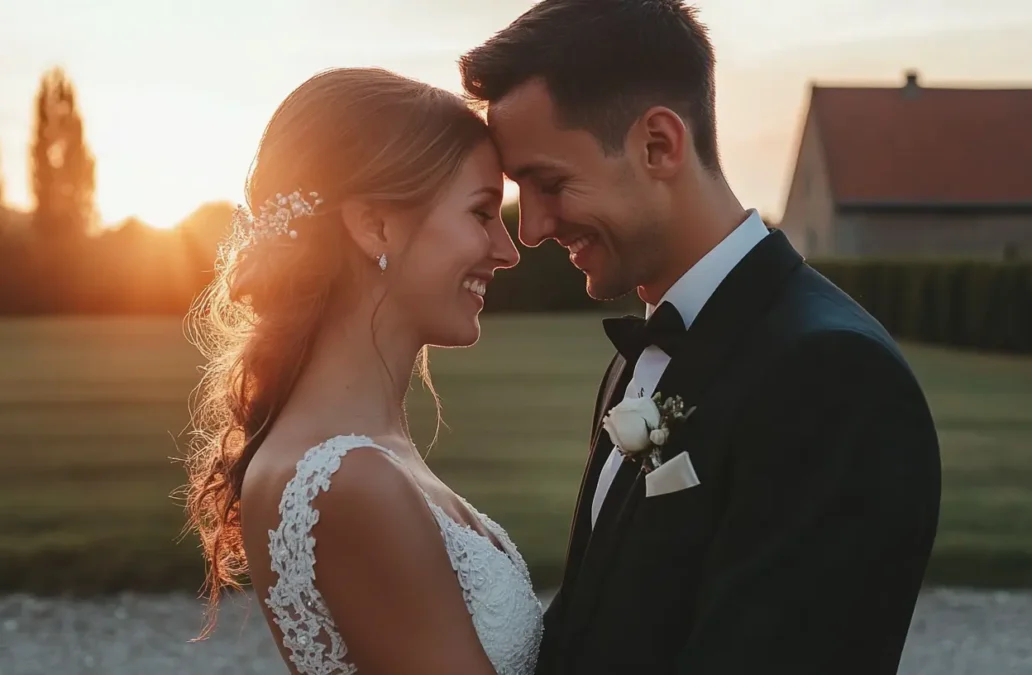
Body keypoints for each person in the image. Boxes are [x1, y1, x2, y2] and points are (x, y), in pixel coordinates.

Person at [460, 1, 942, 673]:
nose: (533, 229)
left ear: (660, 144)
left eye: (550, 184)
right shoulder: (643, 356)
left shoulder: (833, 375)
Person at [183, 67, 543, 675]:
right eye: (482, 213)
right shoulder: (349, 480)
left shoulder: (366, 455)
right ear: (375, 225)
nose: (508, 250)